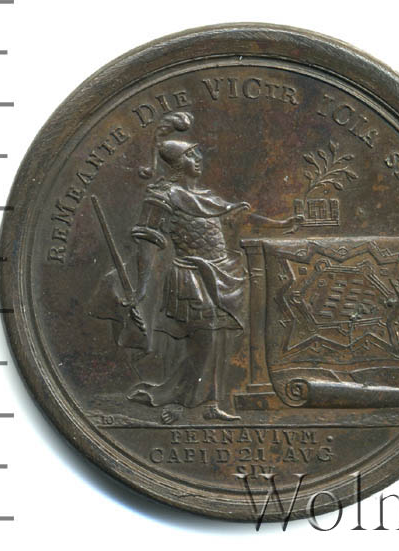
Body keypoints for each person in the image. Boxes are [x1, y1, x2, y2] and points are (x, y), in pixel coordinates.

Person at [122, 112, 299, 422]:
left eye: (198, 155)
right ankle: (184, 402)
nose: (199, 160)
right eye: (192, 156)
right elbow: (146, 242)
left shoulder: (206, 197)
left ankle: (209, 403)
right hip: (190, 275)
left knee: (218, 341)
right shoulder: (162, 196)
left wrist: (281, 225)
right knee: (204, 339)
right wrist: (142, 287)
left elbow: (239, 217)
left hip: (223, 274)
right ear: (178, 164)